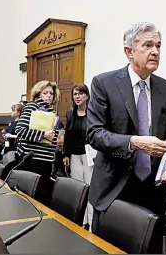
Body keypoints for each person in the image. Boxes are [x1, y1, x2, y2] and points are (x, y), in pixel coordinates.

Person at [86, 22, 166, 251]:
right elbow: (95, 134)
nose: (155, 51)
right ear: (129, 51)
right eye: (148, 45)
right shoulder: (103, 83)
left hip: (153, 189)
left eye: (158, 45)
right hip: (114, 188)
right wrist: (134, 142)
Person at [15, 80, 60, 205]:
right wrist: (43, 135)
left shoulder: (51, 112)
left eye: (51, 93)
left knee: (42, 198)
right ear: (38, 94)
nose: (49, 95)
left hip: (46, 161)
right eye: (45, 93)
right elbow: (20, 130)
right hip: (32, 160)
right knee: (31, 199)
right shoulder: (32, 106)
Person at [62, 83, 93, 230]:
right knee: (79, 189)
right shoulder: (70, 114)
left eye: (80, 93)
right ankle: (81, 222)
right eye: (75, 94)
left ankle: (91, 223)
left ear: (87, 96)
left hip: (89, 156)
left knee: (90, 188)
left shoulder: (93, 113)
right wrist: (65, 154)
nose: (77, 97)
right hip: (74, 155)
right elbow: (67, 136)